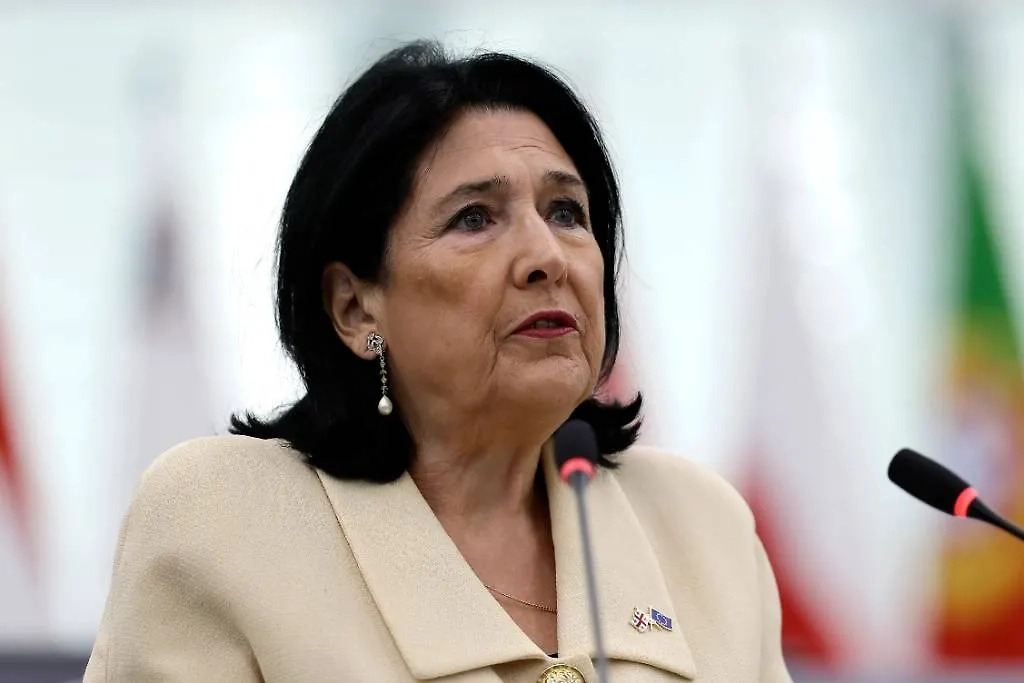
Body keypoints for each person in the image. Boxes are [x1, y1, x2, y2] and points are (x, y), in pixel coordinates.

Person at [84, 41, 792, 683]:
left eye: (567, 212)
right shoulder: (223, 520)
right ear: (355, 308)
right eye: (474, 218)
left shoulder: (705, 528)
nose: (547, 256)